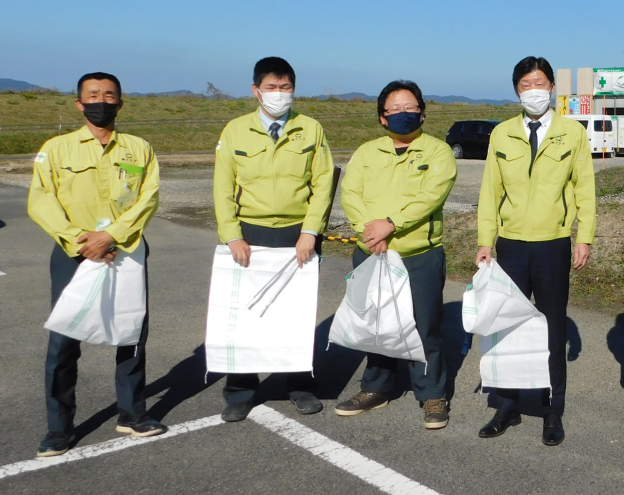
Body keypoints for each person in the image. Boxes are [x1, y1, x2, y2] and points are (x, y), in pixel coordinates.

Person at [27, 73, 166, 457]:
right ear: (79, 103)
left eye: (109, 95)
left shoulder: (138, 149)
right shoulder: (57, 149)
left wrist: (113, 236)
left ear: (120, 103)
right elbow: (41, 201)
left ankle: (132, 413)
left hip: (126, 251)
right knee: (64, 339)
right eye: (93, 95)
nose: (100, 101)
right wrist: (80, 241)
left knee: (131, 332)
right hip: (75, 253)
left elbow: (148, 198)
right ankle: (59, 428)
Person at [474, 57, 595, 446]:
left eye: (540, 83)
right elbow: (490, 192)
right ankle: (506, 404)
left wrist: (584, 237)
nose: (534, 90)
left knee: (552, 328)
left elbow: (584, 189)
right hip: (509, 246)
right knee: (505, 326)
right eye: (526, 84)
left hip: (552, 244)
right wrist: (485, 240)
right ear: (516, 91)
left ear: (552, 88)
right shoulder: (502, 134)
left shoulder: (571, 133)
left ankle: (551, 407)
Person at [212, 56, 335, 422]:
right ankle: (240, 389)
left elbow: (323, 183)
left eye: (285, 88)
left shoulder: (310, 129)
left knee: (294, 314)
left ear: (294, 90)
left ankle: (299, 384)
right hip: (249, 232)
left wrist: (310, 232)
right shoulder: (235, 131)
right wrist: (232, 235)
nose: (278, 94)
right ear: (255, 90)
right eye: (271, 87)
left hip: (297, 234)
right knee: (245, 313)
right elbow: (222, 188)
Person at [335, 80, 458, 428]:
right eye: (395, 110)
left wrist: (391, 224)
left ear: (422, 111)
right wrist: (368, 231)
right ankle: (376, 388)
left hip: (419, 254)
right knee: (376, 325)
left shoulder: (437, 152)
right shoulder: (367, 153)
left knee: (424, 326)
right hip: (371, 252)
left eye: (410, 108)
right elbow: (351, 193)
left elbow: (431, 197)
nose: (404, 114)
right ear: (382, 119)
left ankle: (432, 394)